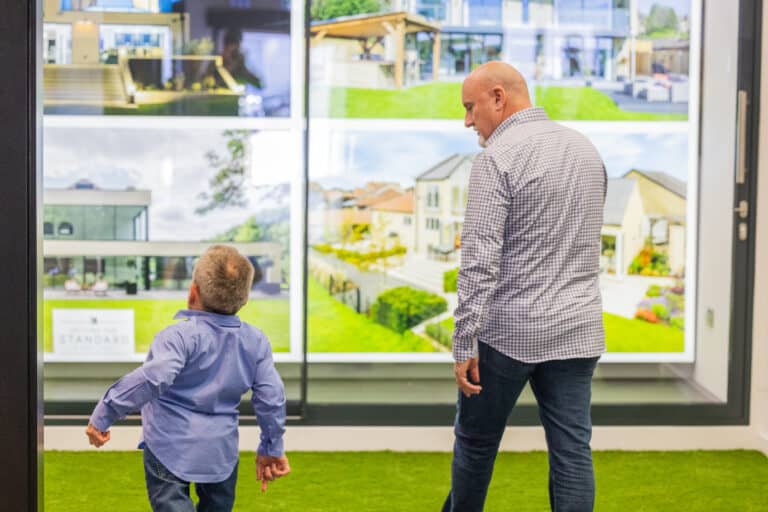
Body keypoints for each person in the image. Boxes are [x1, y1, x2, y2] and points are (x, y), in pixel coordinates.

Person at [444, 61, 607, 512]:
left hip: (507, 335)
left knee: (475, 445)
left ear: (498, 98)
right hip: (577, 331)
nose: (466, 121)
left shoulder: (496, 158)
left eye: (470, 107)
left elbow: (478, 263)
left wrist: (463, 344)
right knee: (573, 452)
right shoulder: (586, 150)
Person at [85, 245, 289, 512]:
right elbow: (271, 397)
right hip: (220, 455)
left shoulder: (178, 337)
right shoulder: (256, 341)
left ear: (193, 291)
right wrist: (272, 447)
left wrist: (105, 412)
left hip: (167, 449)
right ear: (244, 298)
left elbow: (154, 377)